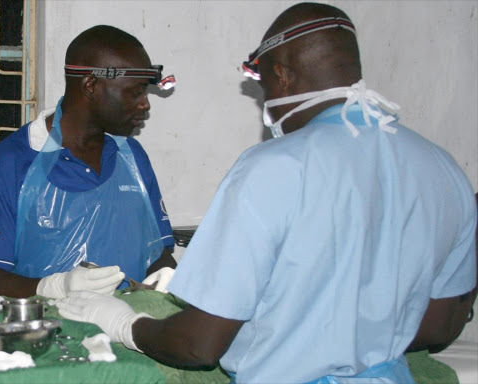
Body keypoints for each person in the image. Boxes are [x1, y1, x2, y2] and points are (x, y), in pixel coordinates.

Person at [56, 4, 477, 384]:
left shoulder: (272, 167)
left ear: (282, 76)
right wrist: (344, 325)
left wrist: (122, 323)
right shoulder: (443, 170)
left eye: (262, 83)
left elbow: (198, 345)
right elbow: (443, 325)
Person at [0, 25, 177, 299]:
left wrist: (167, 283)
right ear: (90, 85)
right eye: (135, 92)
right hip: (46, 337)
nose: (145, 104)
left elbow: (158, 252)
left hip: (128, 334)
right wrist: (53, 288)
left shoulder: (133, 159)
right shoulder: (10, 164)